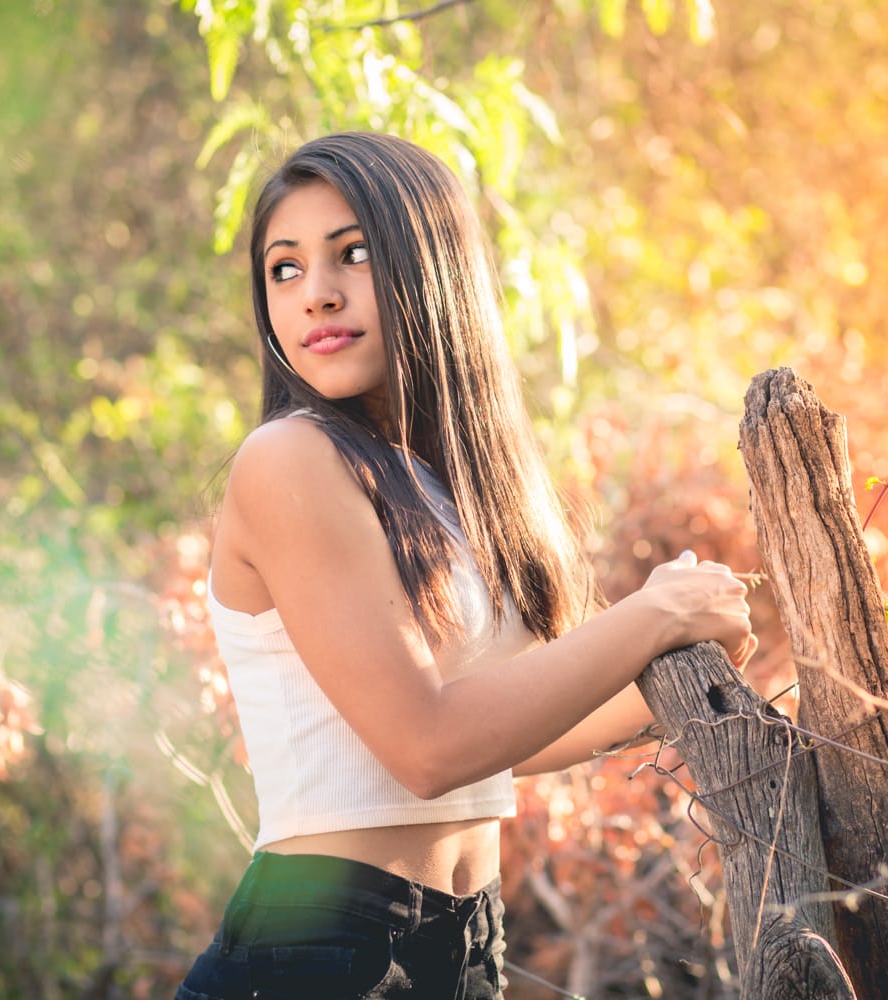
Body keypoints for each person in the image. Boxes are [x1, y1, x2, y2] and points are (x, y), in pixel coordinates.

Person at [175, 131, 757, 1000]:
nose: (317, 296)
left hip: (463, 949)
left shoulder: (451, 482)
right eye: (284, 269)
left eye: (354, 254)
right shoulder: (288, 459)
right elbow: (429, 746)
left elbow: (502, 740)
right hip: (317, 953)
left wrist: (679, 673)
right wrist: (653, 616)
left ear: (432, 267)